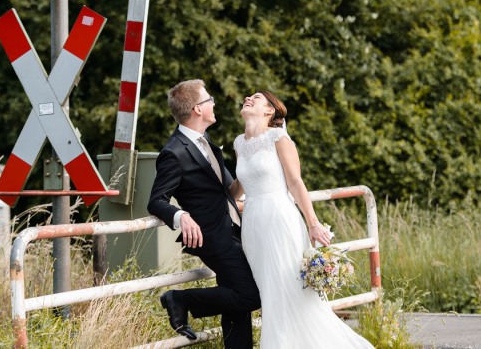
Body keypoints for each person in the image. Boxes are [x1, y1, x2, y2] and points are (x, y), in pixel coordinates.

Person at [231, 90, 373, 348]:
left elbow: (295, 182)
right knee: (269, 294)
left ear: (269, 110)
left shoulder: (279, 138)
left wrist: (313, 222)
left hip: (279, 221)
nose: (248, 99)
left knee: (288, 292)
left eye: (257, 98)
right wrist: (212, 198)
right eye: (247, 97)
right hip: (252, 225)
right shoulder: (239, 143)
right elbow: (241, 184)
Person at [147, 79, 261, 349]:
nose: (213, 103)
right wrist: (180, 216)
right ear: (197, 109)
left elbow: (228, 191)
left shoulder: (205, 140)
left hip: (234, 229)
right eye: (209, 99)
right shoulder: (173, 152)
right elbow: (156, 201)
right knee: (252, 294)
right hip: (211, 236)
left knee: (235, 302)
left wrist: (246, 172)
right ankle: (179, 299)